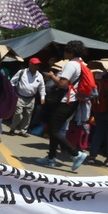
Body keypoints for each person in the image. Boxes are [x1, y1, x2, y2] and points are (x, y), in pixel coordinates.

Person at [36, 40, 89, 170]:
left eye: (66, 50)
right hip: (72, 101)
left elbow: (61, 84)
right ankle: (51, 158)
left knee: (53, 130)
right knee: (56, 129)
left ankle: (76, 154)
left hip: (65, 101)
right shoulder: (82, 64)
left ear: (71, 51)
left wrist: (52, 75)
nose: (64, 53)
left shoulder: (71, 65)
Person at [8, 57, 46, 137]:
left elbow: (42, 87)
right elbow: (12, 81)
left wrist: (42, 97)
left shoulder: (39, 76)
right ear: (30, 64)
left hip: (31, 98)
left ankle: (23, 130)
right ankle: (13, 128)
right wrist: (12, 91)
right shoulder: (22, 72)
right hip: (20, 96)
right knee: (18, 113)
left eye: (38, 65)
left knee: (28, 115)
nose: (36, 66)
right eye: (35, 64)